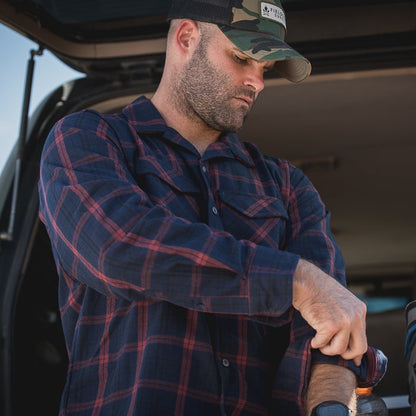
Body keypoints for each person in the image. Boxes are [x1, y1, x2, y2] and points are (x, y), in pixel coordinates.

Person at [38, 0, 387, 415]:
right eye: (242, 57)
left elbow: (331, 338)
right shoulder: (88, 139)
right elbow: (118, 247)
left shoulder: (288, 186)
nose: (256, 81)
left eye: (266, 69)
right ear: (186, 37)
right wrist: (295, 281)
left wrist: (329, 405)